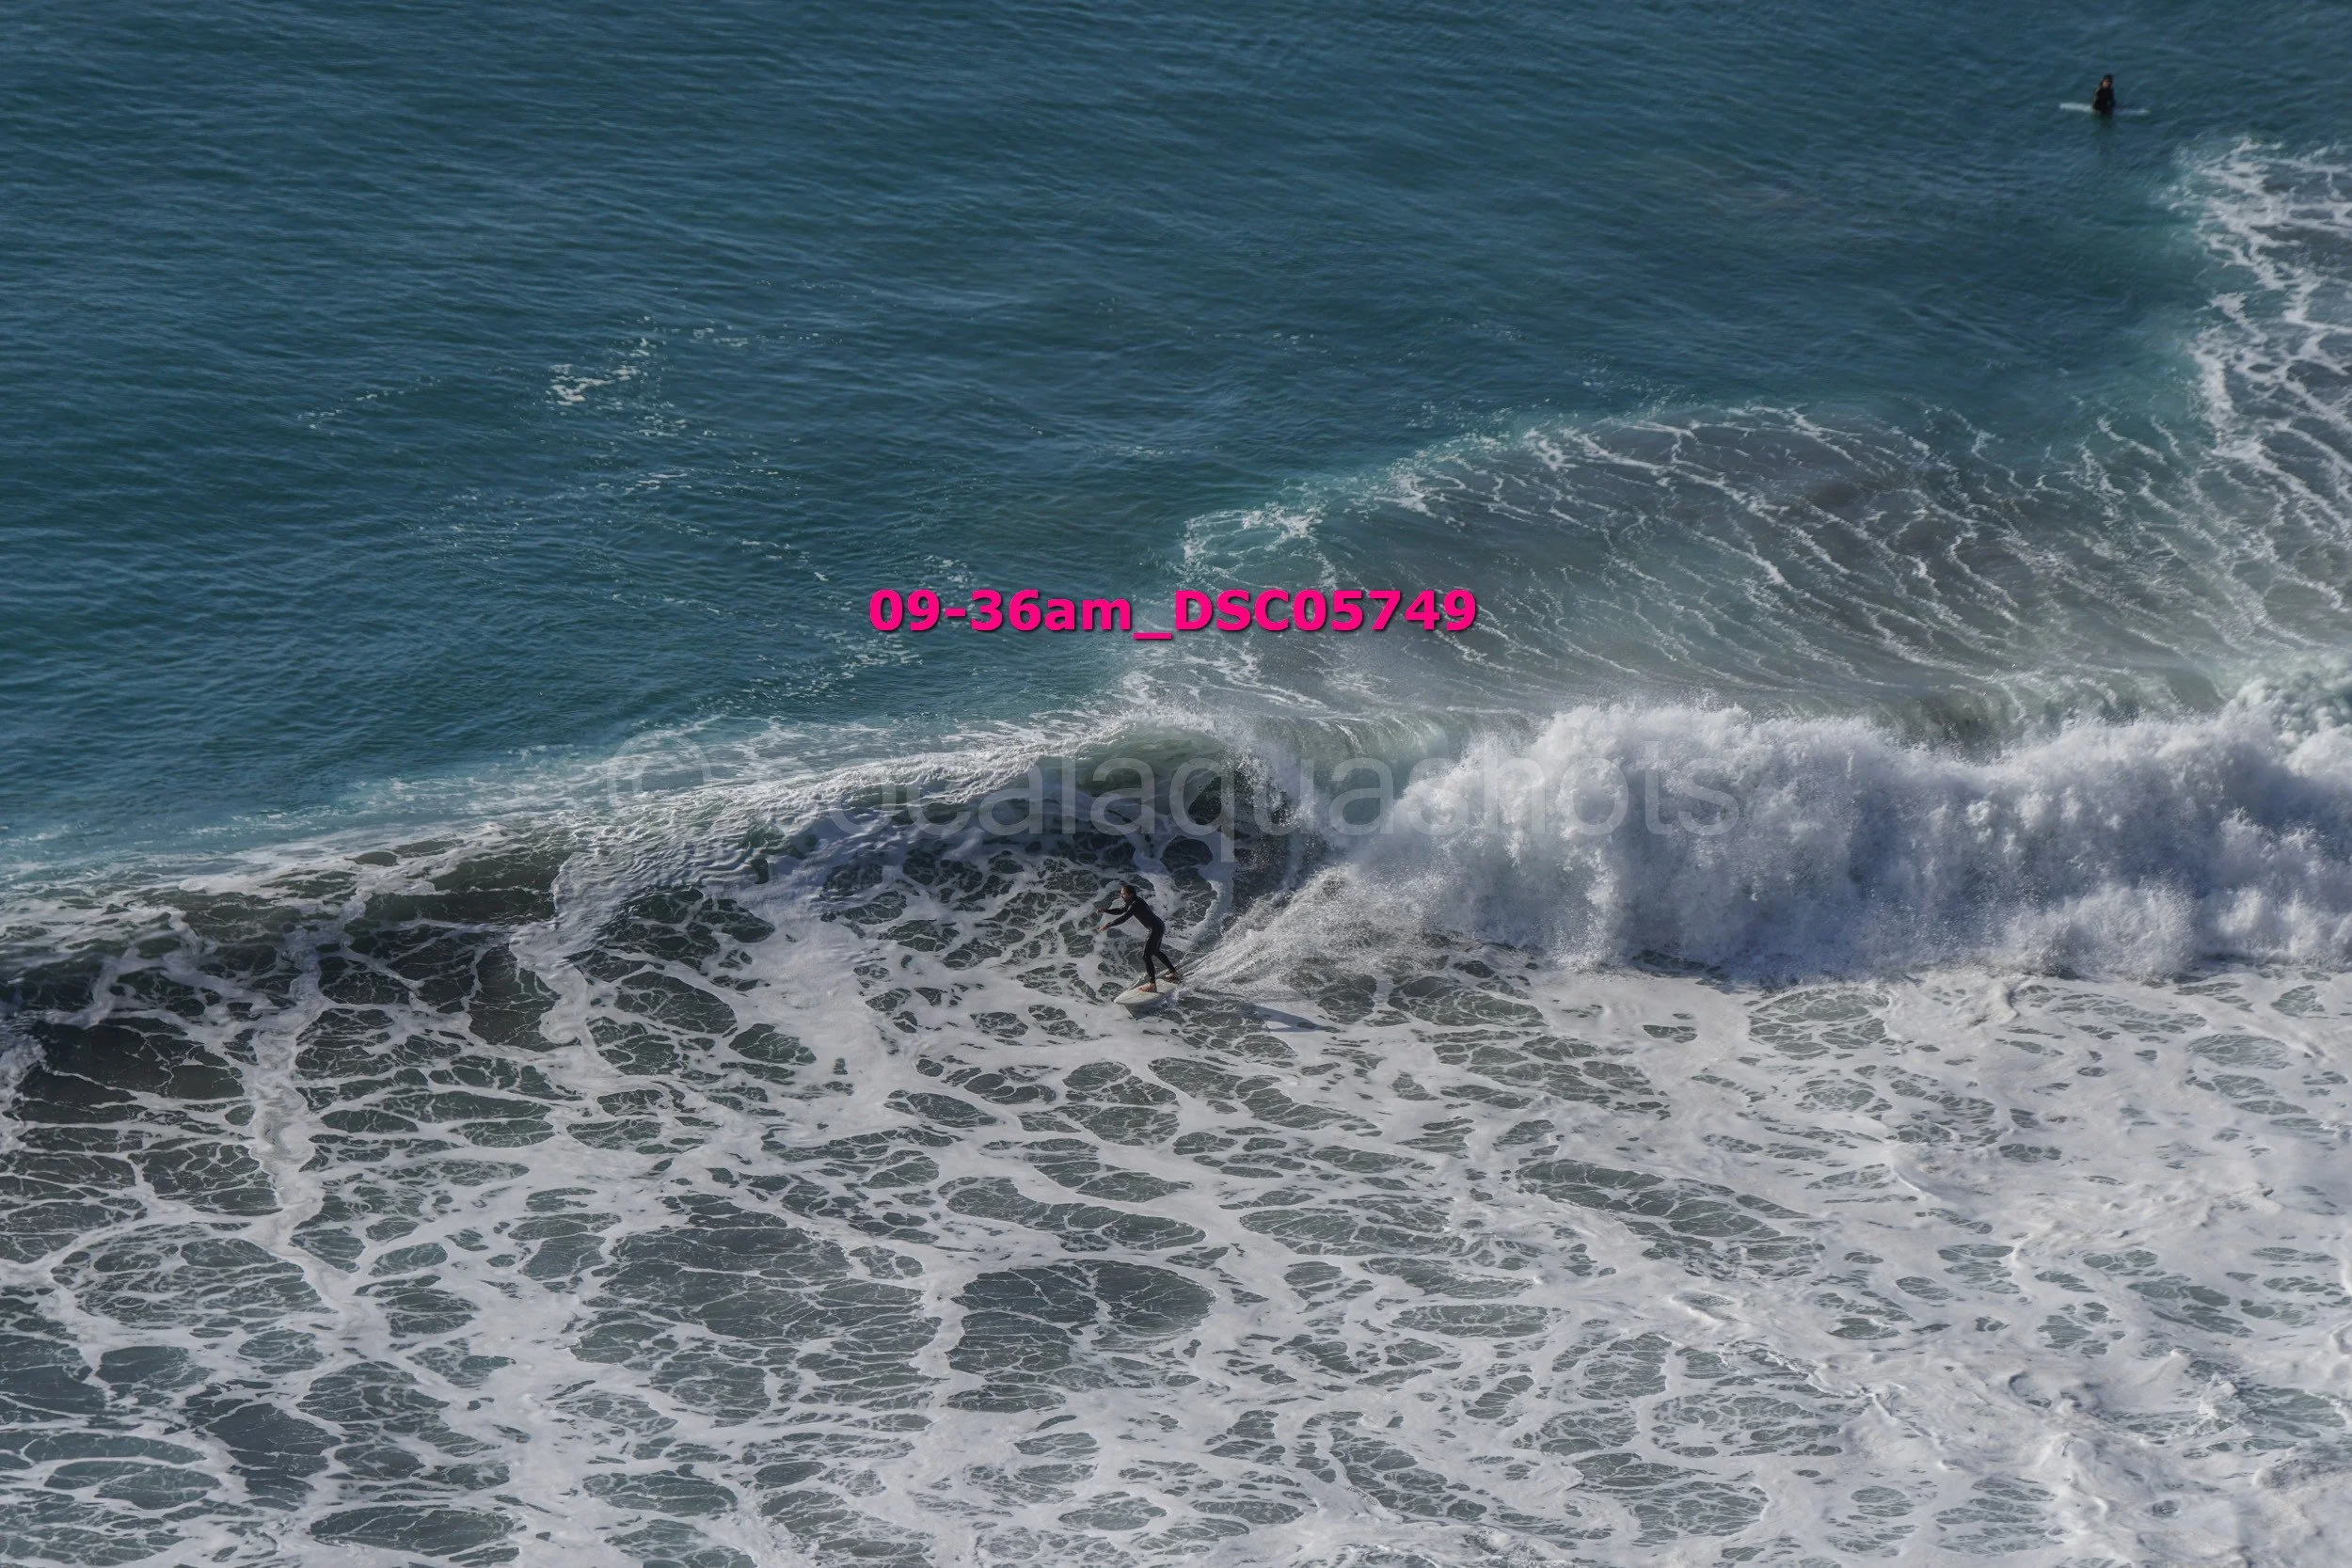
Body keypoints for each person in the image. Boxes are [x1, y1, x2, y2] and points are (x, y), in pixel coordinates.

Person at [1098, 882, 1183, 991]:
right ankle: (1173, 972)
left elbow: (1124, 917)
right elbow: (1121, 910)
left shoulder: (1135, 904)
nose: (1121, 896)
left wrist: (1108, 925)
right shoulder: (1131, 902)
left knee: (1146, 956)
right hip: (1158, 926)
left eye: (1123, 894)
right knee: (1155, 951)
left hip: (1155, 928)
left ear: (1130, 894)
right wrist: (1105, 910)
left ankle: (1152, 985)